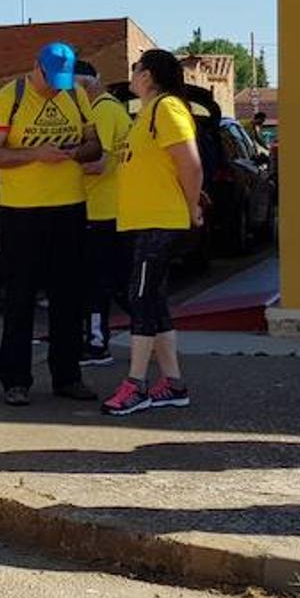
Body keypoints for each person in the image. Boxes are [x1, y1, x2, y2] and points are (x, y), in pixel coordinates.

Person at [0, 42, 103, 405]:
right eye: (52, 80)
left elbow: (95, 145)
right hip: (22, 212)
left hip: (69, 207)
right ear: (37, 67)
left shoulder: (76, 94)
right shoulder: (11, 96)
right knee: (20, 298)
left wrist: (76, 152)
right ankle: (15, 380)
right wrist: (36, 154)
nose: (56, 87)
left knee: (69, 296)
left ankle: (68, 376)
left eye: (63, 81)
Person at [100, 50, 204, 416]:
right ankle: (173, 383)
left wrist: (192, 208)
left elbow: (190, 165)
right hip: (144, 220)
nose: (132, 74)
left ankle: (136, 384)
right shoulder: (146, 113)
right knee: (154, 301)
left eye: (135, 69)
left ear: (149, 76)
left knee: (140, 298)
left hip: (161, 220)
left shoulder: (168, 109)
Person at [78, 61, 132, 366]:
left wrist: (56, 164)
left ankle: (97, 344)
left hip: (101, 210)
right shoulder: (115, 109)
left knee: (97, 282)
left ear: (85, 85)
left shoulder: (101, 111)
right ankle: (150, 334)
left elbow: (98, 164)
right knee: (116, 280)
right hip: (113, 208)